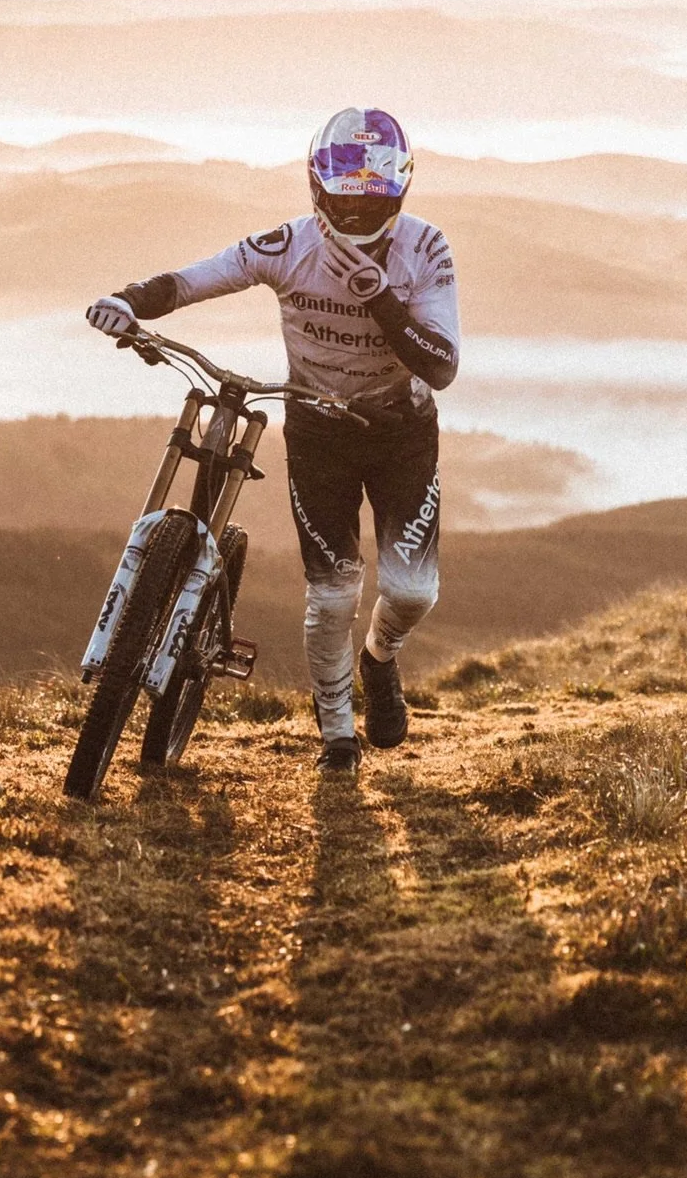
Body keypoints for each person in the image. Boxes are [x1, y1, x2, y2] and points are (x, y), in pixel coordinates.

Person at [84, 108, 458, 774]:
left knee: (410, 593)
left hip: (401, 433)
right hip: (318, 434)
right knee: (334, 590)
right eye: (346, 190)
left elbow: (442, 364)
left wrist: (382, 302)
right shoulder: (289, 246)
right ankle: (338, 738)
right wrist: (130, 301)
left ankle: (378, 658)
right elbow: (198, 277)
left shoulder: (425, 250)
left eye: (372, 192)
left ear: (399, 189)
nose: (357, 205)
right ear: (318, 186)